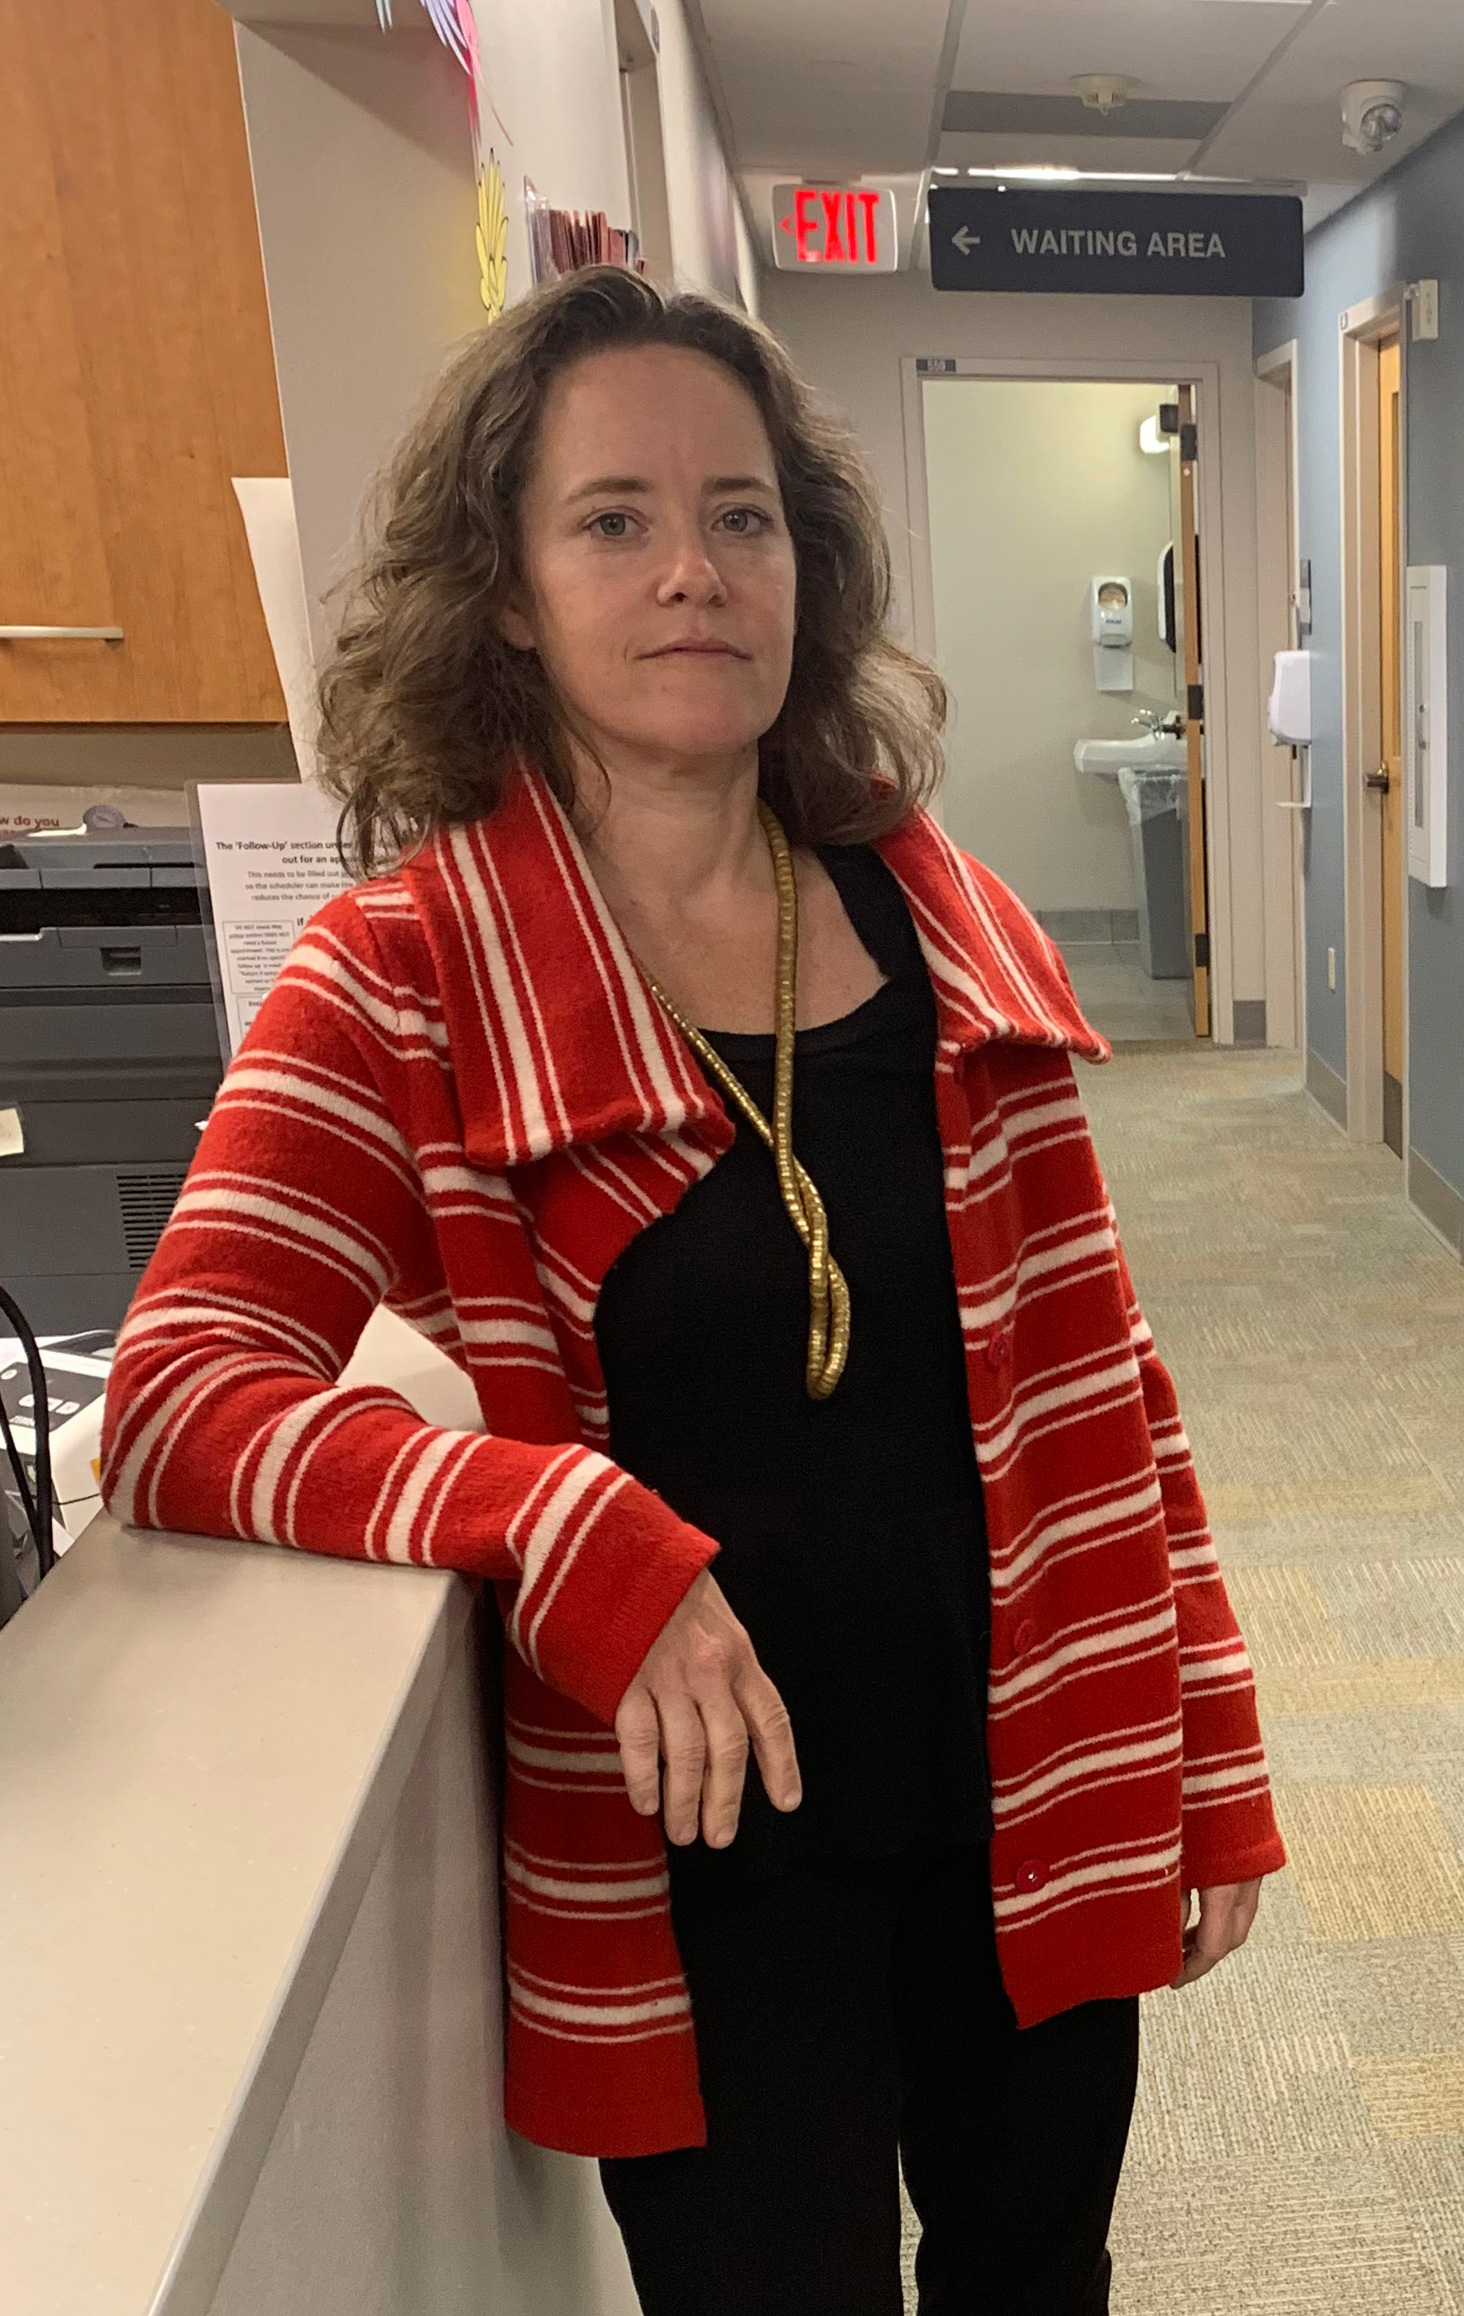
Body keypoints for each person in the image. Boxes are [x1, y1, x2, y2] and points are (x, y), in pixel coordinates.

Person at [101, 265, 1286, 2315]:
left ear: (804, 563)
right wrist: (559, 1524)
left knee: (1040, 2276)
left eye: (743, 515)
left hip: (1024, 1782)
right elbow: (179, 1395)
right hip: (708, 1870)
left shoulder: (935, 907)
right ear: (505, 591)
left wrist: (1209, 1743)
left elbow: (1104, 1375)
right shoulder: (403, 979)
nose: (694, 573)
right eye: (614, 520)